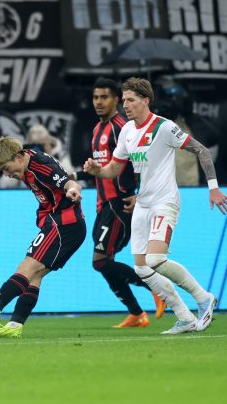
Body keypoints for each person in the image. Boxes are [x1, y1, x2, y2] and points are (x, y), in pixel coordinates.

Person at [84, 77, 227, 334]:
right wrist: (98, 170)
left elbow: (202, 151)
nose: (126, 105)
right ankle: (185, 317)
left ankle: (203, 297)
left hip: (164, 202)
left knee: (155, 259)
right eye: (124, 100)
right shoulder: (128, 132)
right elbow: (113, 169)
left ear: (145, 100)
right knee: (142, 268)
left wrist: (214, 188)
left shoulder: (164, 127)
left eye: (131, 100)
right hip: (142, 205)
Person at [0, 136, 86, 338]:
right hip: (60, 224)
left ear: (20, 157)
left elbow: (68, 182)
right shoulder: (17, 159)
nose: (7, 174)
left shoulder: (43, 166)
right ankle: (15, 326)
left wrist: (74, 190)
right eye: (3, 170)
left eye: (7, 168)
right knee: (34, 275)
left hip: (64, 224)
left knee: (26, 268)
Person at [71, 77, 164, 328]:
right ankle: (136, 314)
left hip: (119, 203)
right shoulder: (97, 129)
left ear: (117, 101)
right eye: (95, 97)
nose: (99, 102)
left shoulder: (121, 127)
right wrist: (76, 176)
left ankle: (156, 288)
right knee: (103, 262)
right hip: (103, 204)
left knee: (100, 261)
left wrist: (136, 193)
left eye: (105, 97)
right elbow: (103, 167)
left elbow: (140, 161)